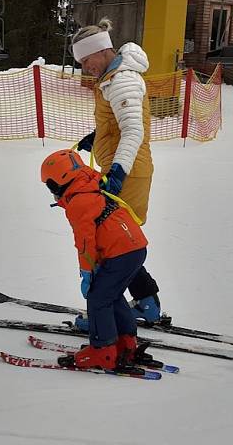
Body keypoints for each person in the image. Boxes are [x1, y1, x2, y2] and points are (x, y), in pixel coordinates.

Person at [71, 18, 163, 324]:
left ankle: (109, 310)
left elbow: (133, 132)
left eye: (86, 60)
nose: (86, 67)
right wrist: (98, 136)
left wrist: (118, 175)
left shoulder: (122, 80)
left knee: (112, 244)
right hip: (123, 167)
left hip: (128, 173)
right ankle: (147, 302)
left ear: (101, 51)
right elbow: (118, 123)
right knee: (121, 241)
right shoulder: (113, 78)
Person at [41, 149, 149, 370]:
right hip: (134, 247)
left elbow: (85, 242)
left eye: (50, 185)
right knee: (112, 294)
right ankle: (125, 342)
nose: (51, 191)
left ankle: (103, 351)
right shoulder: (93, 184)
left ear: (60, 181)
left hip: (121, 252)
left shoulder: (78, 202)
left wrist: (87, 272)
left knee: (98, 298)